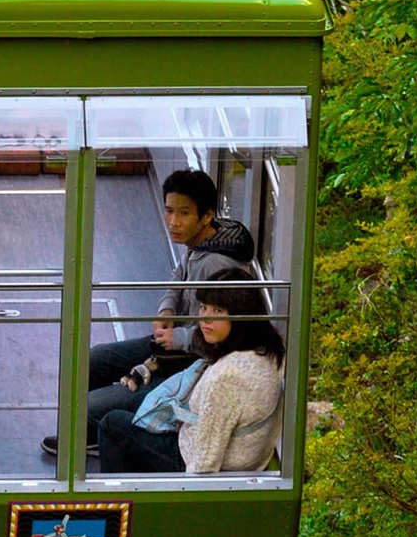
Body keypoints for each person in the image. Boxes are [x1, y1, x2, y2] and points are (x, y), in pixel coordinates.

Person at [41, 168, 254, 458]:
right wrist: (166, 309)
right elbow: (177, 280)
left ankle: (94, 434)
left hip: (190, 358)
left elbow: (220, 333)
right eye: (169, 211)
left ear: (206, 216)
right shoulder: (199, 243)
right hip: (172, 343)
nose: (173, 222)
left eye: (183, 214)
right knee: (92, 360)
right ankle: (89, 428)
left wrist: (177, 337)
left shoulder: (217, 266)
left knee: (93, 404)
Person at [97, 281, 286, 473]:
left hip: (189, 458)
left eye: (218, 311)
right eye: (204, 307)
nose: (205, 318)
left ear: (240, 316)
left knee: (112, 424)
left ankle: (118, 499)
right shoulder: (267, 349)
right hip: (236, 447)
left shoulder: (227, 377)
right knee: (142, 401)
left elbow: (204, 465)